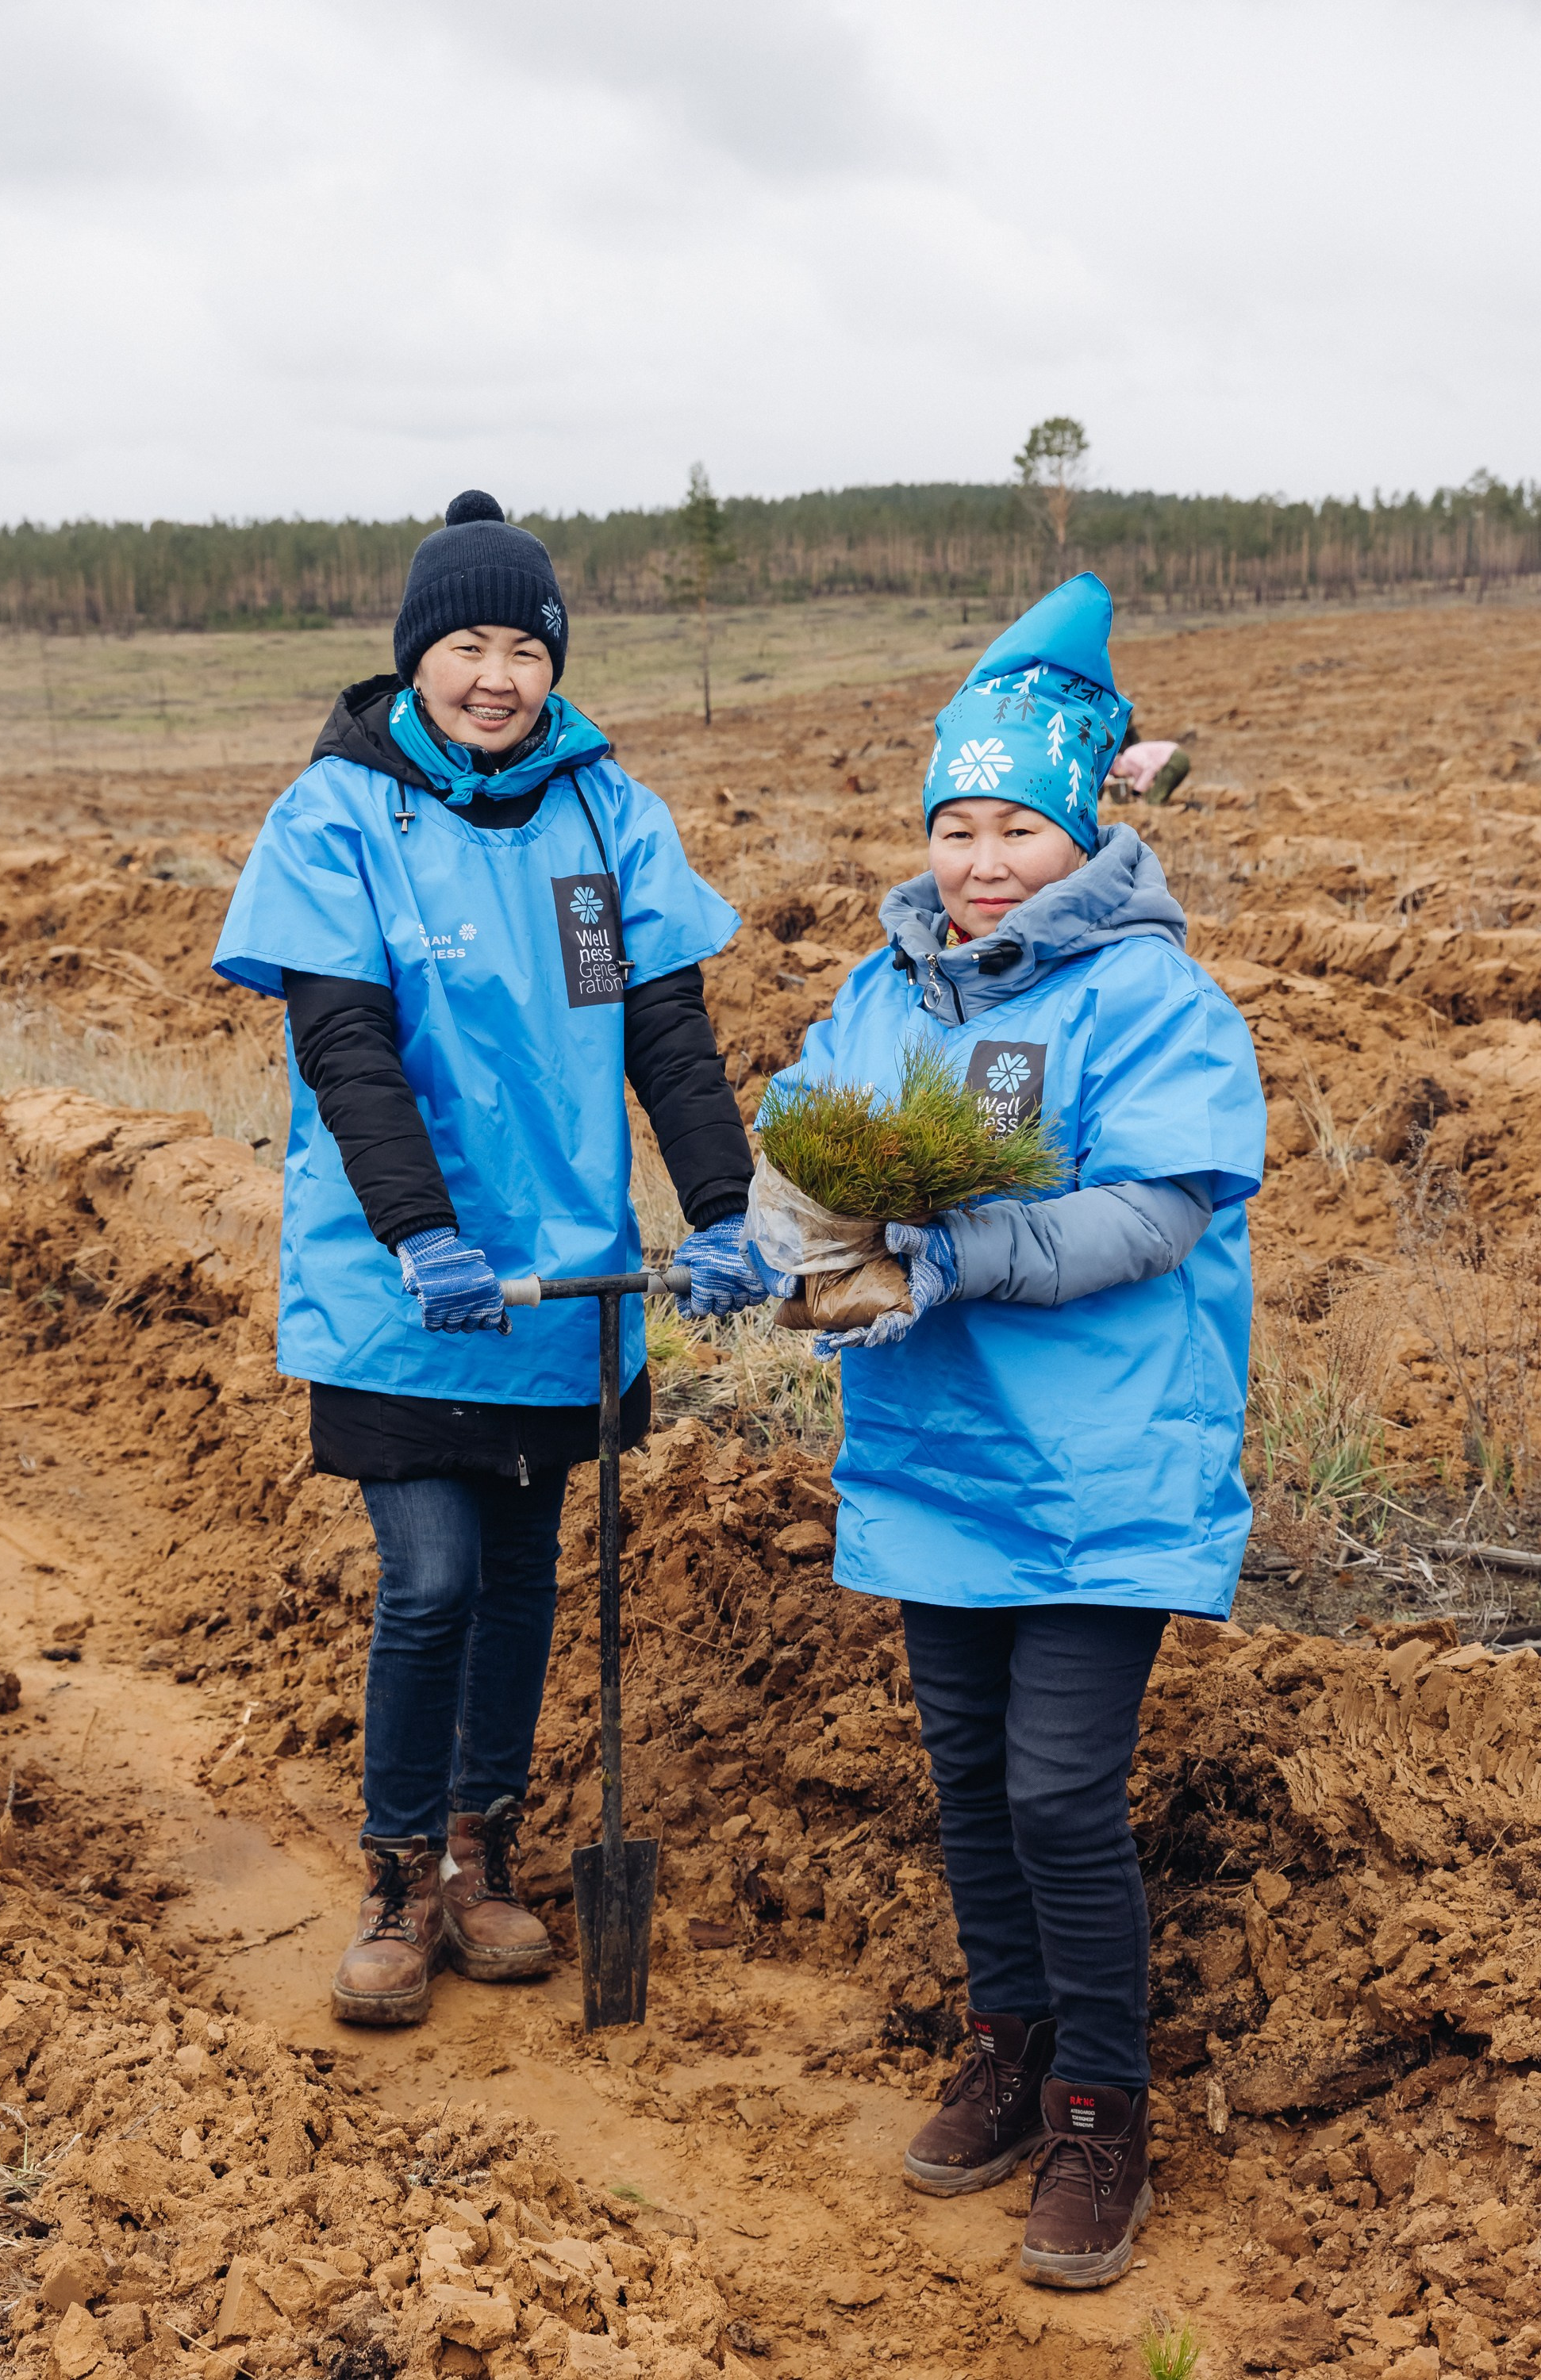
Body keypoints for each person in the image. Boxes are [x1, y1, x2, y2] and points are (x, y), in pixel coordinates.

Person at [750, 574, 1264, 2290]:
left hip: (1098, 1469)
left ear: (1080, 833)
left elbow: (1154, 1216)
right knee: (969, 1783)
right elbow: (807, 1135)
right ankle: (1009, 2040)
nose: (979, 862)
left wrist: (953, 1252)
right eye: (955, 825)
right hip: (935, 1454)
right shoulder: (892, 990)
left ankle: (1103, 2112)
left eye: (1015, 828)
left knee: (1058, 1794)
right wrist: (759, 1240)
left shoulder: (1151, 1002)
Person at [213, 492, 768, 2026]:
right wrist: (423, 1231)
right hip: (406, 1282)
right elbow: (345, 1044)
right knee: (436, 1575)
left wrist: (723, 1207)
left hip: (562, 1279)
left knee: (523, 1575)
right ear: (415, 660)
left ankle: (485, 1855)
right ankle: (396, 1874)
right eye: (467, 643)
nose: (497, 675)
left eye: (525, 647)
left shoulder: (608, 815)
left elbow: (666, 1029)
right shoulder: (337, 815)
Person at [1106, 722, 1191, 804]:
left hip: (1174, 759)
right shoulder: (1132, 763)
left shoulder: (1129, 755)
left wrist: (1137, 790)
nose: (1121, 777)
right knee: (1157, 796)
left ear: (1117, 767)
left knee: (1154, 801)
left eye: (1116, 775)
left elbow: (1150, 768)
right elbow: (1144, 778)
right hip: (1175, 759)